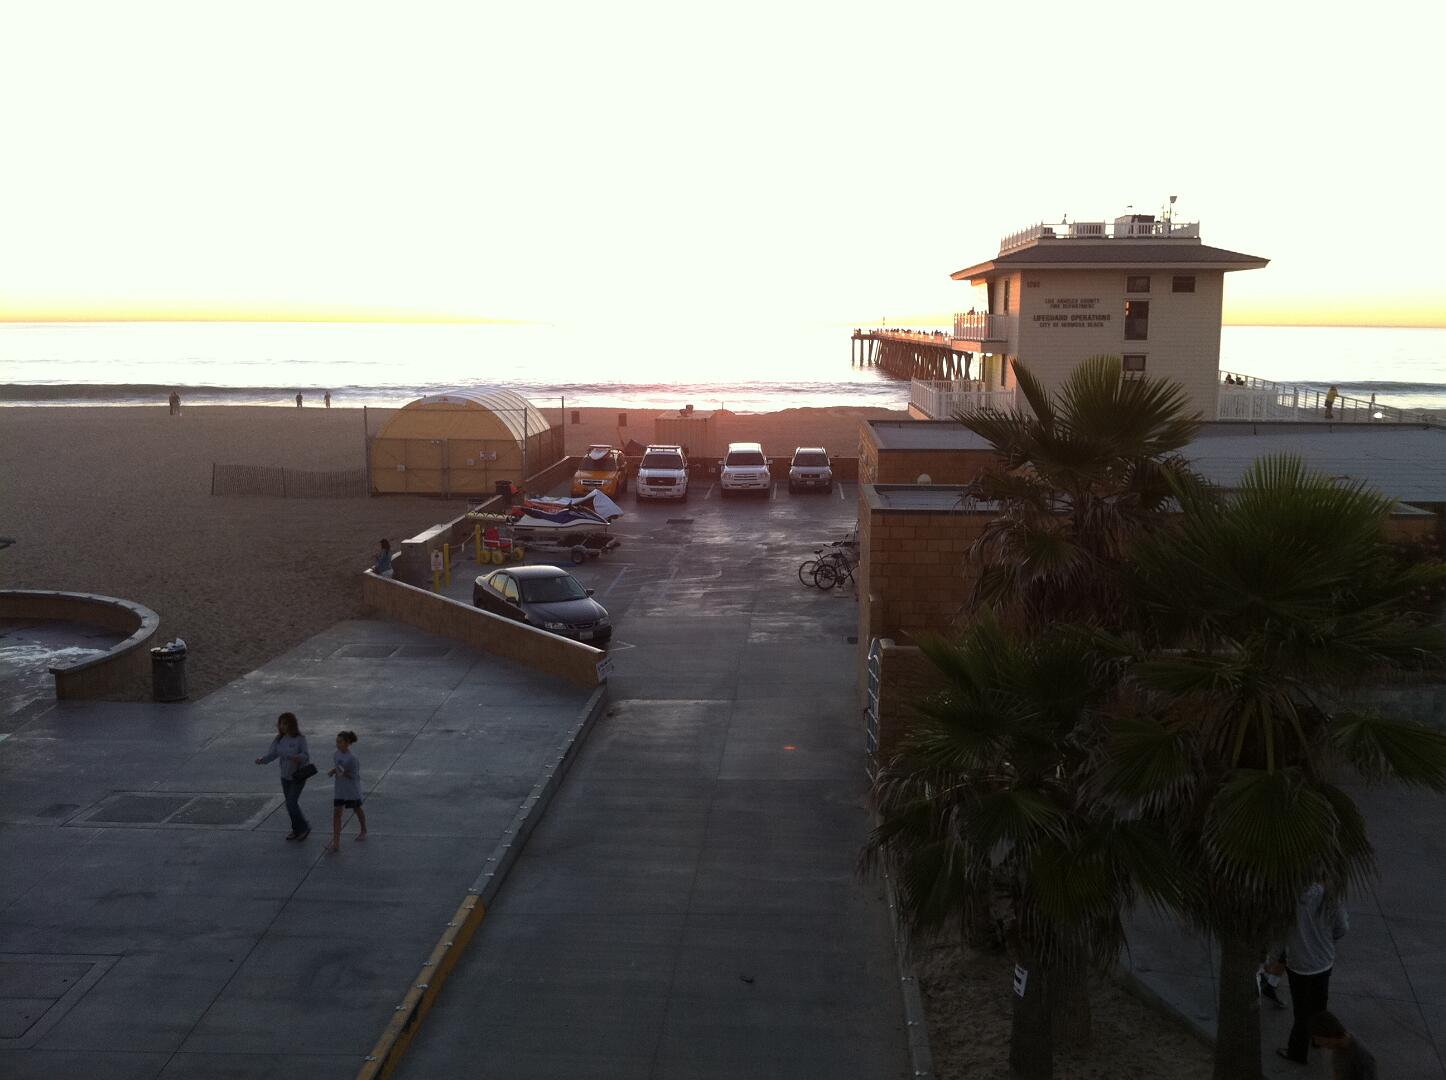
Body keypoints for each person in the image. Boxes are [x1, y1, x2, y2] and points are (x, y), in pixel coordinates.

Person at [1275, 881, 1349, 1064]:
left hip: (1298, 964)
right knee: (1319, 1004)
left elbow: (1279, 934)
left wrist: (1277, 957)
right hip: (1323, 962)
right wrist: (1328, 942)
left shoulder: (1287, 898)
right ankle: (1319, 1038)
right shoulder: (1330, 895)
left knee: (1301, 1012)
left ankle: (1297, 1052)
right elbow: (1342, 927)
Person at [255, 712, 312, 841]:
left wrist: (298, 757)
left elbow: (306, 755)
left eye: (285, 723)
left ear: (292, 724)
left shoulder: (300, 739)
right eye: (280, 723)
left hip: (298, 776)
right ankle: (296, 829)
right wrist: (262, 760)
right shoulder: (279, 739)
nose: (282, 726)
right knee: (290, 804)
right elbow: (273, 754)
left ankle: (304, 827)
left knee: (291, 803)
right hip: (285, 776)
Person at [324, 730, 366, 853]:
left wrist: (344, 773)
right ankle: (336, 843)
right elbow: (339, 767)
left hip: (351, 790)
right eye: (337, 742)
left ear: (348, 743)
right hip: (340, 789)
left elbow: (355, 775)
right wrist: (333, 771)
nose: (337, 744)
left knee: (357, 809)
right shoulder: (336, 754)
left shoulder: (352, 758)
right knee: (337, 814)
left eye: (340, 742)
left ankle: (363, 829)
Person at [1309, 1011, 1377, 1079]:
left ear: (1330, 1035)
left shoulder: (1360, 1058)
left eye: (1319, 1039)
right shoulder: (1339, 1048)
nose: (1317, 1042)